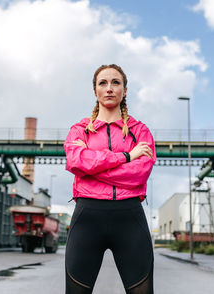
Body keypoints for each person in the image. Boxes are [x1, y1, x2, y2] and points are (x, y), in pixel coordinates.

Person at [64, 64, 156, 294]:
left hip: (129, 218)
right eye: (103, 83)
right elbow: (76, 162)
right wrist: (126, 156)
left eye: (116, 82)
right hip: (87, 218)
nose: (109, 88)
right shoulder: (79, 130)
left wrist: (92, 169)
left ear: (125, 90)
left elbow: (139, 174)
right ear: (94, 90)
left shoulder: (140, 131)